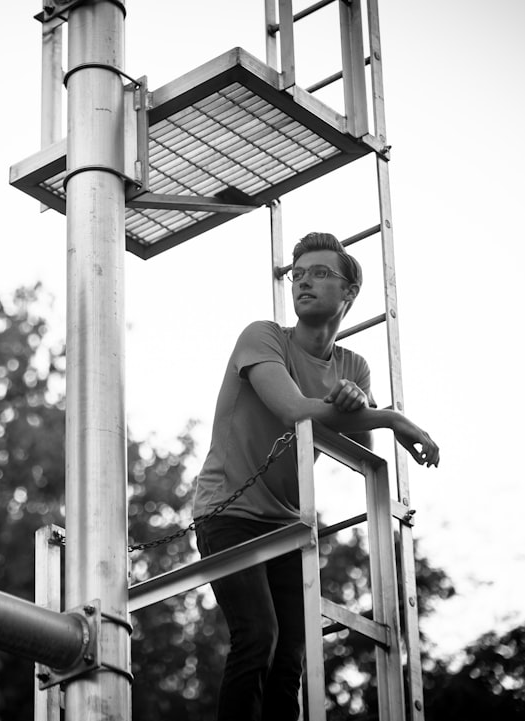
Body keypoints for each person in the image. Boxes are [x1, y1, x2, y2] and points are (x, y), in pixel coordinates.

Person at [193, 232, 439, 721]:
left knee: (291, 661)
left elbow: (357, 454)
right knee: (258, 635)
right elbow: (292, 411)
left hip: (287, 523)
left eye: (320, 273)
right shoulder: (262, 337)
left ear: (349, 293)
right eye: (298, 273)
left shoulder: (354, 366)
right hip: (229, 510)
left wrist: (356, 402)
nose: (303, 281)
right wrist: (389, 416)